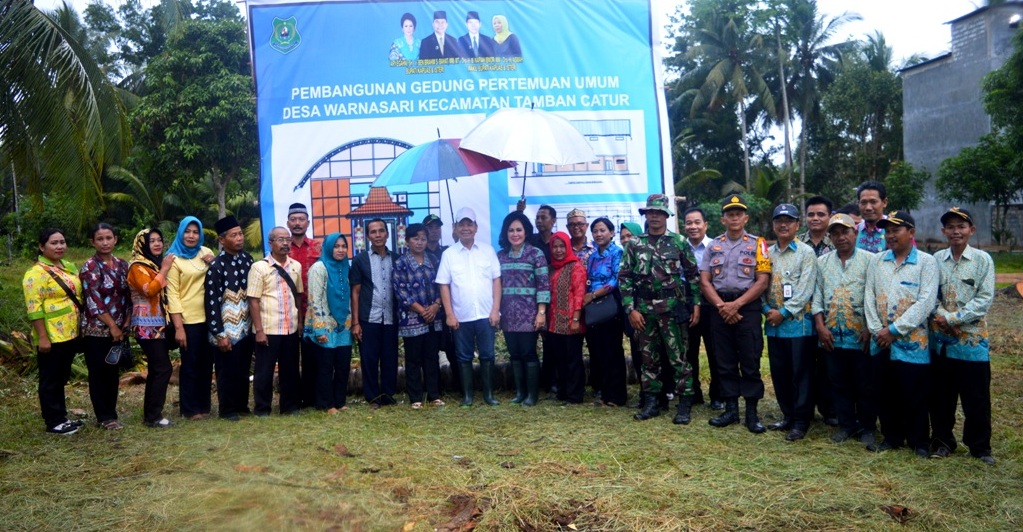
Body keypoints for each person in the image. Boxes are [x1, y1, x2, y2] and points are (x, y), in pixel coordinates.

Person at [620, 195, 702, 424]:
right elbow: (624, 278)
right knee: (649, 359)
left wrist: (695, 304)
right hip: (644, 311)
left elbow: (693, 276)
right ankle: (652, 403)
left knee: (679, 358)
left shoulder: (678, 242)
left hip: (673, 310)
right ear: (646, 215)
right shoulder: (635, 244)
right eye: (650, 212)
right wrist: (630, 310)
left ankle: (684, 403)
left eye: (658, 212)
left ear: (666, 215)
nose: (654, 216)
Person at [864, 211, 938, 457]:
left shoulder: (926, 262)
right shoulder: (878, 261)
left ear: (911, 232)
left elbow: (925, 303)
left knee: (914, 394)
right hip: (881, 342)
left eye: (897, 230)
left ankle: (919, 442)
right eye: (888, 230)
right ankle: (891, 437)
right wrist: (877, 331)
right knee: (885, 392)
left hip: (912, 344)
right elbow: (869, 298)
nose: (891, 235)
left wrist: (894, 331)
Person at [929, 207, 996, 465]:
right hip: (942, 343)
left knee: (976, 399)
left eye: (961, 226)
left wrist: (954, 318)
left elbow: (984, 299)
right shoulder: (935, 259)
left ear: (971, 230)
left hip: (972, 343)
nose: (956, 231)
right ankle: (943, 441)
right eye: (951, 227)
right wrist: (942, 316)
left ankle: (980, 447)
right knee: (941, 398)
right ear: (943, 231)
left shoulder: (982, 260)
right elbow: (930, 294)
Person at [701, 195, 771, 433]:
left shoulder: (757, 243)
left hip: (747, 308)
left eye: (738, 214)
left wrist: (736, 305)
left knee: (750, 360)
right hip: (719, 308)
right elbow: (705, 281)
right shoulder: (713, 246)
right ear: (723, 219)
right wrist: (723, 306)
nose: (734, 218)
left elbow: (762, 281)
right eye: (729, 214)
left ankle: (751, 414)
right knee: (724, 360)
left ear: (746, 218)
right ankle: (731, 410)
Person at [812, 214, 876, 445]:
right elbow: (816, 295)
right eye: (835, 233)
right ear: (830, 236)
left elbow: (874, 296)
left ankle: (868, 427)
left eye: (845, 232)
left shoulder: (871, 261)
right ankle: (846, 425)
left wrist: (870, 328)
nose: (840, 237)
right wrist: (820, 326)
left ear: (855, 233)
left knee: (865, 384)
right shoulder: (822, 262)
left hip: (861, 336)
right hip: (831, 335)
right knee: (838, 383)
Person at [763, 204, 819, 442]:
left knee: (801, 374)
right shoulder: (767, 252)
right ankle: (787, 416)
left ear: (798, 225)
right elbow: (759, 284)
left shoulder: (806, 253)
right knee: (780, 373)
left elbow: (806, 289)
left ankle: (801, 421)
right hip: (773, 327)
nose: (783, 225)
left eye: (789, 220)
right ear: (773, 224)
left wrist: (783, 312)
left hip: (799, 326)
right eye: (779, 221)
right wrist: (766, 310)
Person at [436, 207, 502, 407]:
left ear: (476, 227)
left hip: (485, 314)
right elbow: (443, 285)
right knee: (463, 357)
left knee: (487, 355)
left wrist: (495, 309)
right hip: (461, 316)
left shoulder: (488, 251)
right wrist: (449, 314)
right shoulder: (449, 254)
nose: (466, 228)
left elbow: (496, 281)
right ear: (455, 228)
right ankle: (468, 396)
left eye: (469, 224)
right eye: (461, 224)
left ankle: (488, 395)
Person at [24, 228, 84, 435]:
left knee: (61, 376)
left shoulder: (67, 266)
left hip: (70, 332)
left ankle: (61, 416)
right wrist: (42, 336)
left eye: (62, 242)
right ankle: (53, 421)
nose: (59, 246)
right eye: (54, 243)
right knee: (50, 378)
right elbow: (34, 307)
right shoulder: (36, 273)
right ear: (42, 247)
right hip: (52, 335)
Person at [79, 223, 131, 430]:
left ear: (115, 239)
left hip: (120, 327)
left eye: (108, 238)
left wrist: (125, 324)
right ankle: (104, 417)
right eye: (100, 239)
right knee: (99, 372)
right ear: (93, 242)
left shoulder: (123, 265)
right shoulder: (90, 266)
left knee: (112, 371)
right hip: (97, 329)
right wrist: (112, 326)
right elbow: (94, 300)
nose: (105, 242)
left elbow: (129, 296)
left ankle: (112, 412)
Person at [248, 227, 304, 416]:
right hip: (269, 328)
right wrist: (259, 330)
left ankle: (289, 406)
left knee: (290, 370)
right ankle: (262, 408)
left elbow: (298, 296)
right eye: (280, 239)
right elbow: (253, 300)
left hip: (290, 327)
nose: (285, 243)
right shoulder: (259, 267)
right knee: (264, 371)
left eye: (287, 239)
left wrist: (300, 323)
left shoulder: (296, 266)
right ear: (270, 243)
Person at [204, 215, 255, 422]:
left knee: (243, 368)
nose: (240, 238)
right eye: (234, 235)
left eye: (240, 234)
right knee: (227, 371)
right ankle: (227, 409)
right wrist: (219, 334)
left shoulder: (248, 260)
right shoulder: (216, 266)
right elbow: (211, 303)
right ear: (222, 240)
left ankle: (242, 405)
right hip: (226, 329)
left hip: (246, 327)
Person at [165, 216, 216, 420]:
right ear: (180, 233)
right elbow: (173, 294)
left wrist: (214, 263)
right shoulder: (173, 258)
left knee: (206, 364)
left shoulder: (206, 253)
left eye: (195, 232)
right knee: (190, 365)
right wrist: (178, 328)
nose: (191, 236)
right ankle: (190, 408)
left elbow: (217, 277)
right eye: (187, 231)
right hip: (188, 320)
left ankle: (204, 406)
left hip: (209, 318)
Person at [497, 212, 550, 407]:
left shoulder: (536, 254)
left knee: (529, 353)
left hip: (529, 315)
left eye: (519, 229)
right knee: (514, 354)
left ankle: (532, 395)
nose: (515, 233)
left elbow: (543, 285)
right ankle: (520, 393)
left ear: (526, 232)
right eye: (511, 230)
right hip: (508, 315)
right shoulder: (500, 256)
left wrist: (541, 312)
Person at [127, 228, 177, 428]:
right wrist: (164, 270)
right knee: (163, 368)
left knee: (159, 368)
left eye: (159, 240)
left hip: (160, 325)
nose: (157, 244)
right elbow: (149, 290)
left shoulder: (154, 263)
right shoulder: (137, 266)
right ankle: (153, 416)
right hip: (146, 327)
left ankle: (152, 414)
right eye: (152, 241)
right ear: (142, 244)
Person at [393, 224, 444, 409]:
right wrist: (422, 311)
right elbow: (401, 292)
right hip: (412, 319)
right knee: (413, 359)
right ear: (407, 241)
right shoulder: (401, 263)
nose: (420, 242)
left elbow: (442, 284)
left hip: (434, 317)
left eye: (423, 238)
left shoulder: (433, 260)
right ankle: (415, 397)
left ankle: (434, 395)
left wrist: (436, 305)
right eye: (415, 238)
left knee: (431, 357)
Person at [798, 195, 838, 427]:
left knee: (827, 364)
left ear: (829, 217)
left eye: (821, 214)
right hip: (800, 315)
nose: (815, 218)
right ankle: (804, 408)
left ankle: (829, 408)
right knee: (803, 363)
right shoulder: (797, 243)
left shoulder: (838, 241)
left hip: (829, 314)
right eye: (811, 214)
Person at [350, 219, 399, 407]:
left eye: (381, 231)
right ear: (368, 236)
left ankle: (388, 395)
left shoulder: (396, 258)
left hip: (390, 318)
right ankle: (372, 397)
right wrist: (355, 322)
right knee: (369, 358)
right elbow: (355, 291)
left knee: (390, 358)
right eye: (373, 232)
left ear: (387, 233)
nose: (378, 235)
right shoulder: (360, 260)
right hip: (368, 318)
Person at [304, 232, 354, 413]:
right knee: (325, 366)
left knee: (342, 364)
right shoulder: (319, 268)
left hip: (343, 324)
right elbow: (314, 300)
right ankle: (326, 404)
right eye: (336, 246)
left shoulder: (345, 267)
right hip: (324, 324)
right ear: (328, 247)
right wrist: (318, 329)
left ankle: (340, 401)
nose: (340, 250)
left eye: (343, 246)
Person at [584, 217, 627, 407]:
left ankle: (617, 396)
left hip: (610, 305)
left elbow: (615, 280)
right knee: (599, 349)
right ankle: (604, 393)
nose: (599, 234)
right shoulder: (592, 256)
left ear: (611, 233)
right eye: (595, 231)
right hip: (594, 308)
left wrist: (593, 295)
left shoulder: (618, 253)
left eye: (602, 230)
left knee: (613, 350)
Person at [682, 206, 720, 409]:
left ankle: (717, 396)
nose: (693, 227)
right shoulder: (680, 247)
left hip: (713, 305)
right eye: (689, 223)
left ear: (705, 225)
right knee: (689, 352)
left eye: (697, 222)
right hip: (687, 306)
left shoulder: (716, 246)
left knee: (716, 352)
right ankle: (694, 393)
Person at [287, 202, 321, 410]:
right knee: (290, 358)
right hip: (287, 312)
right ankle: (292, 400)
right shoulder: (281, 247)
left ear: (308, 222)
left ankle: (311, 399)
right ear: (288, 223)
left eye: (301, 219)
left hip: (314, 312)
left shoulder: (318, 247)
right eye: (294, 219)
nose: (298, 223)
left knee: (312, 358)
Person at [546, 232, 587, 404]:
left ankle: (574, 395)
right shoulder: (552, 268)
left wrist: (576, 319)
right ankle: (562, 392)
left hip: (571, 321)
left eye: (562, 246)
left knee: (573, 360)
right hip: (555, 322)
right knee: (560, 359)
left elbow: (579, 294)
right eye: (555, 247)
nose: (558, 250)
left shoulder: (575, 266)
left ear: (568, 247)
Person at [423, 213, 460, 397]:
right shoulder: (419, 254)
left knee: (453, 348)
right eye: (430, 227)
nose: (434, 231)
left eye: (437, 227)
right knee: (430, 352)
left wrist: (457, 239)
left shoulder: (448, 252)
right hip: (427, 311)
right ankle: (434, 389)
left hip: (447, 309)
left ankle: (460, 385)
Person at [855, 181, 888, 253]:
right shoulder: (854, 231)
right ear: (858, 204)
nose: (868, 208)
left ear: (884, 202)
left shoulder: (895, 229)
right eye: (863, 202)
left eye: (873, 202)